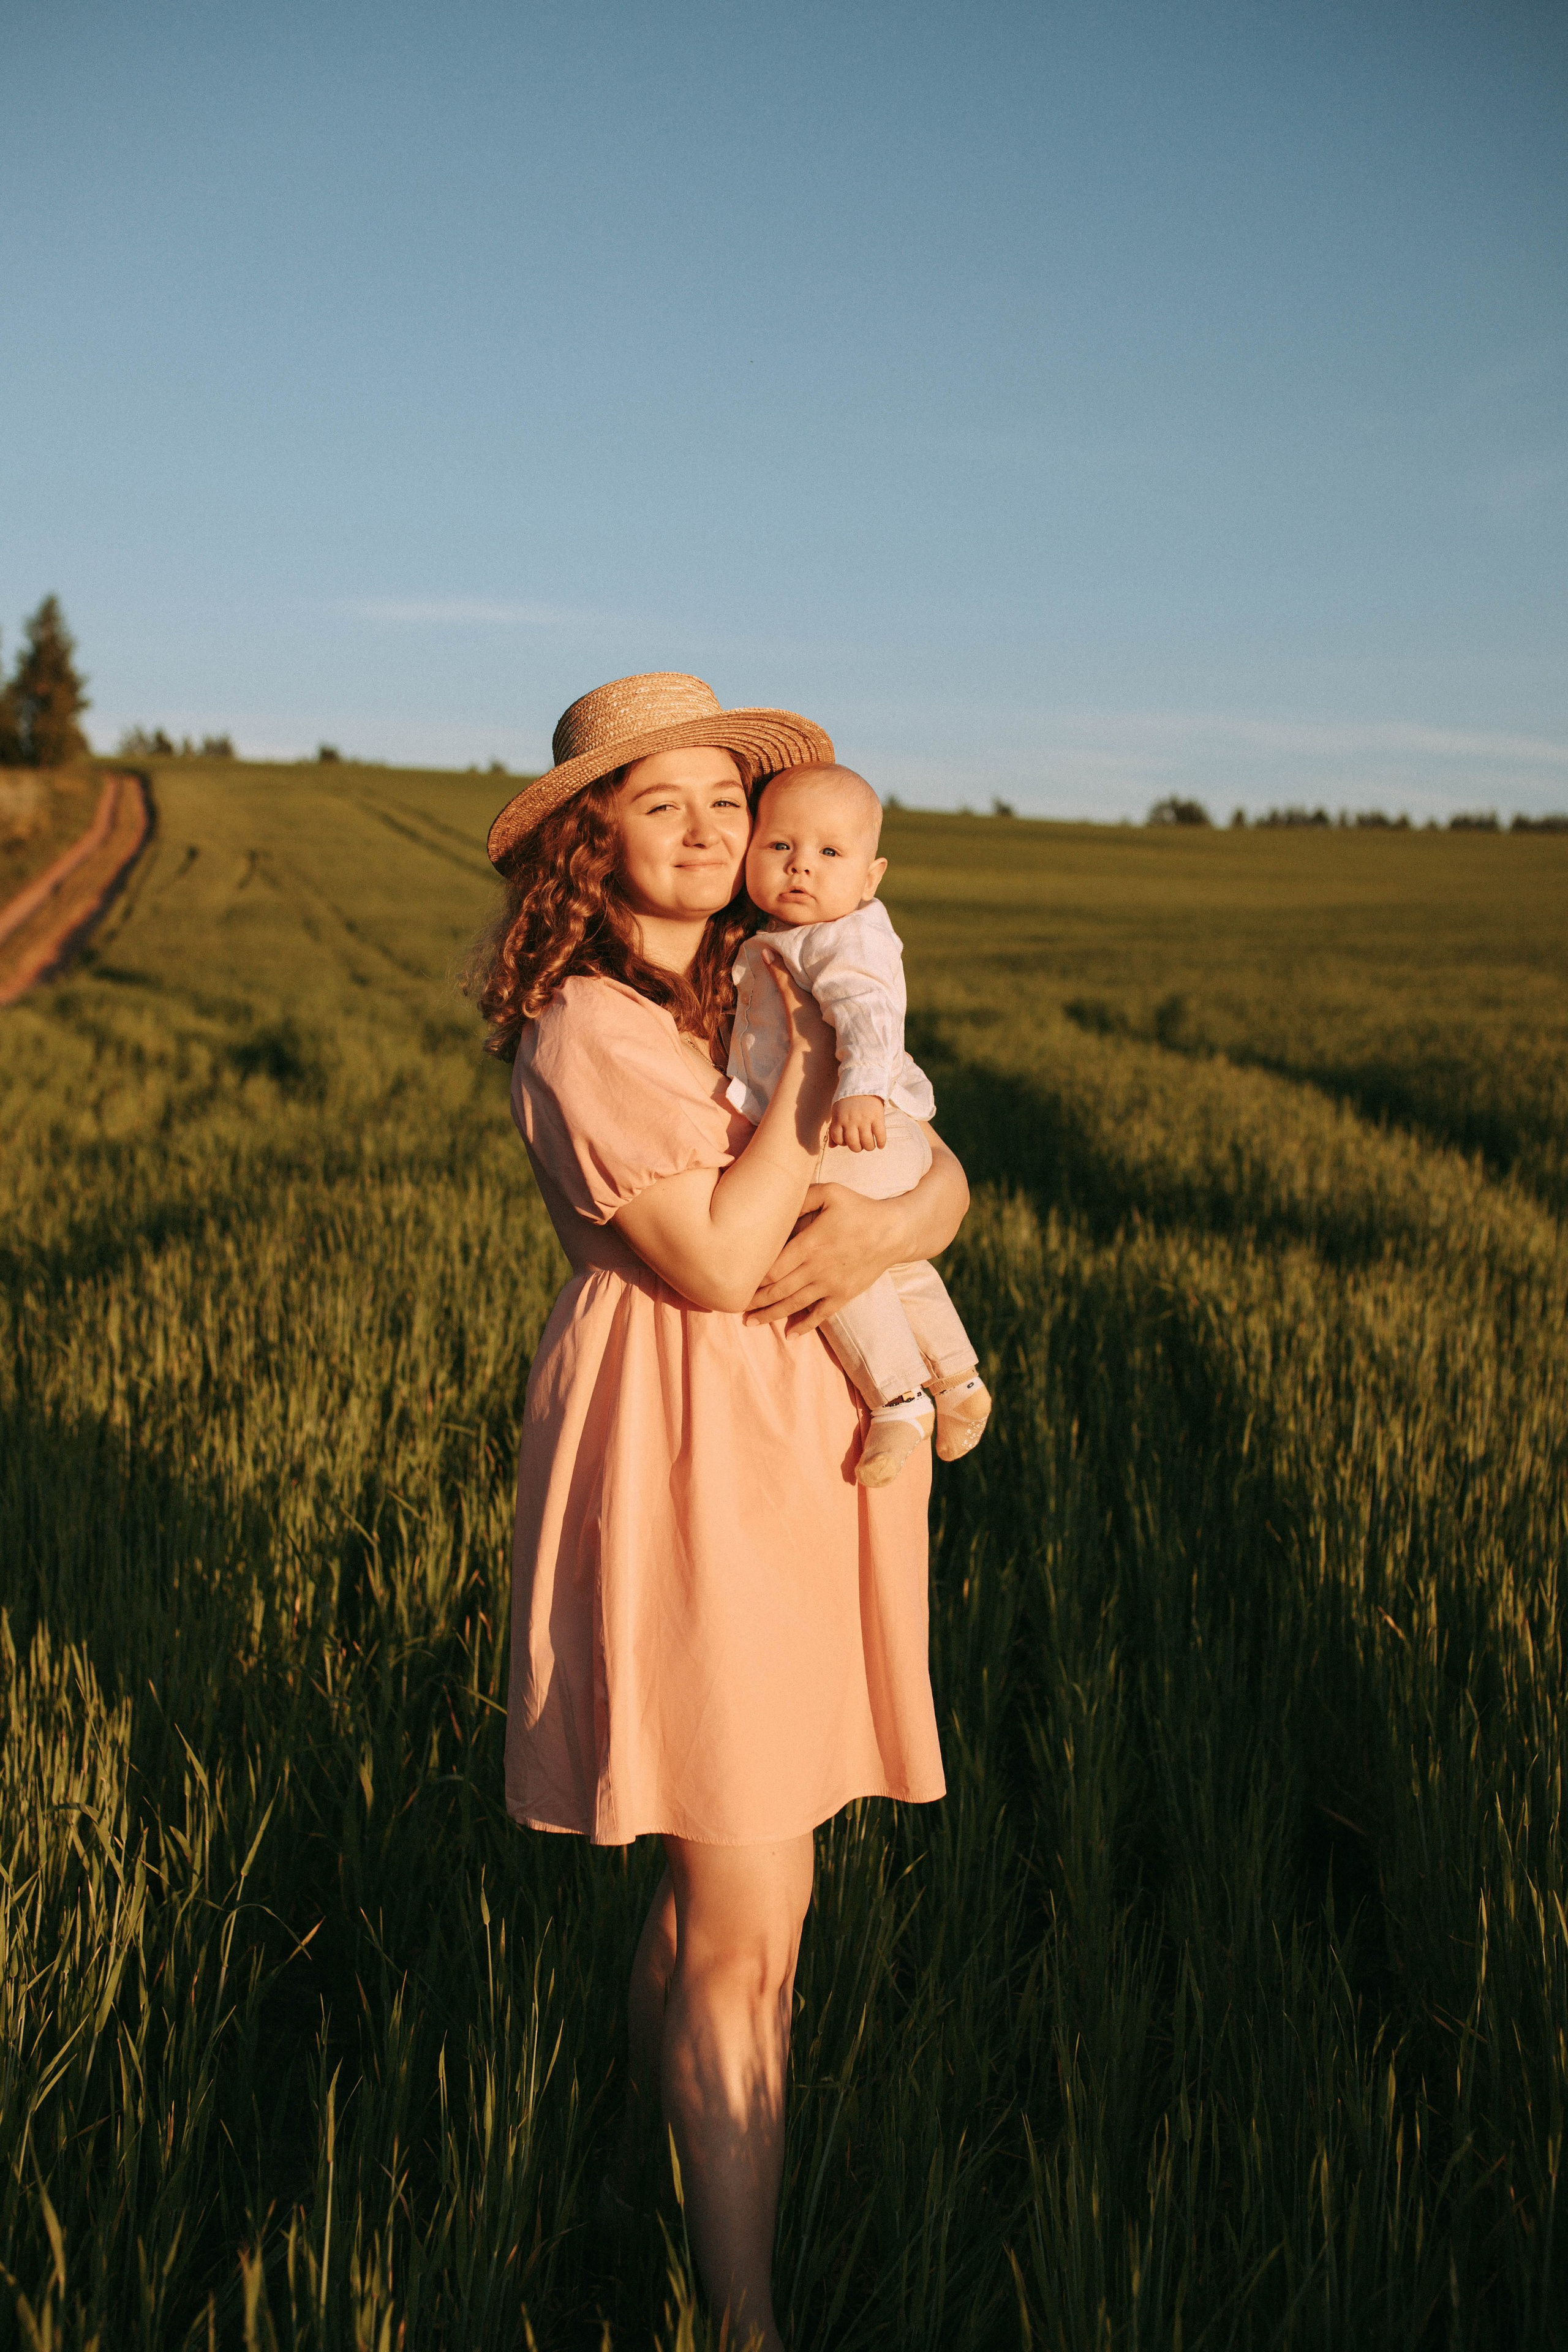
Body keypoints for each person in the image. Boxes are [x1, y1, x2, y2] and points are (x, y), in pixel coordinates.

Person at [472, 673, 970, 2351]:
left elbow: (929, 1174)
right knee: (752, 1919)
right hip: (688, 1462)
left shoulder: (748, 981)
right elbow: (725, 1257)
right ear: (587, 840)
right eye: (656, 802)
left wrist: (898, 1212)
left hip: (785, 1448)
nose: (704, 830)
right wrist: (831, 1074)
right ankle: (742, 2322)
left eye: (721, 801)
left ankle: (643, 2180)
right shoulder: (593, 1029)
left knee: (718, 1889)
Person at [727, 761, 991, 1487]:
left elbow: (869, 1011)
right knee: (891, 1261)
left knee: (819, 1244)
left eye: (829, 852)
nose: (800, 866)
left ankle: (897, 1397)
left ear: (871, 878)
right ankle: (958, 1380)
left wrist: (860, 1091)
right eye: (780, 847)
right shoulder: (791, 933)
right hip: (865, 1126)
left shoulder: (840, 937)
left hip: (856, 1126)